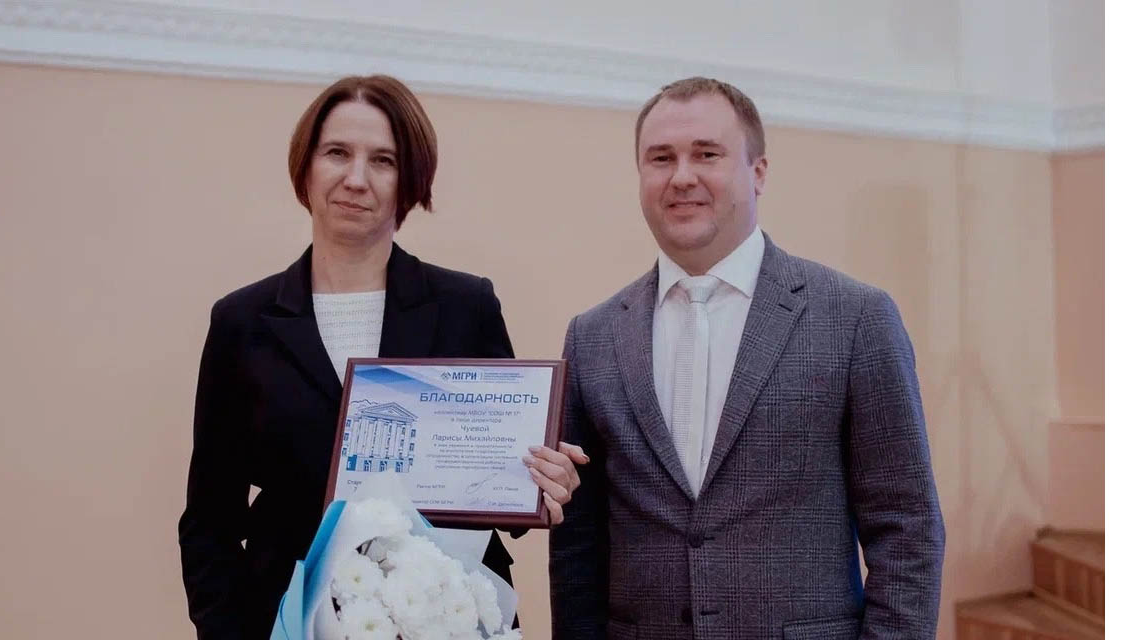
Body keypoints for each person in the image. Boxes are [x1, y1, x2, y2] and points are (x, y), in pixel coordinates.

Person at [179, 74, 587, 639]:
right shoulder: (241, 321)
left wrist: (544, 480)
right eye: (337, 153)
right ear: (306, 167)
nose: (356, 178)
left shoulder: (465, 305)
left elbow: (507, 479)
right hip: (289, 618)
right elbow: (209, 518)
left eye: (383, 160)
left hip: (447, 615)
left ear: (409, 180)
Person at [548, 77, 944, 639]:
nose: (681, 177)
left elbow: (907, 528)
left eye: (706, 154)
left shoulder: (856, 318)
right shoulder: (592, 336)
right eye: (661, 158)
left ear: (758, 172)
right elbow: (578, 544)